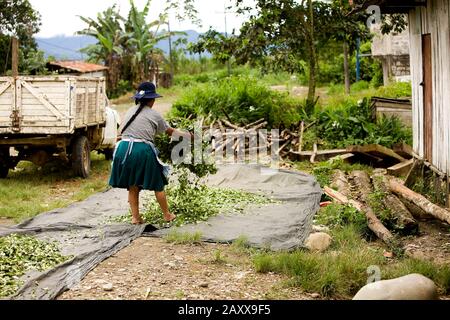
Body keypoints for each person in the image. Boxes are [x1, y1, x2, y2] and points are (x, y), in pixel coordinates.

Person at [109, 82, 191, 225]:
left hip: (123, 149)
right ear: (152, 100)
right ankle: (167, 215)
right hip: (141, 151)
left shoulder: (130, 110)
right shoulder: (154, 114)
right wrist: (188, 136)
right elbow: (170, 132)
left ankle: (135, 218)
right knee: (158, 184)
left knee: (133, 184)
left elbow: (124, 132)